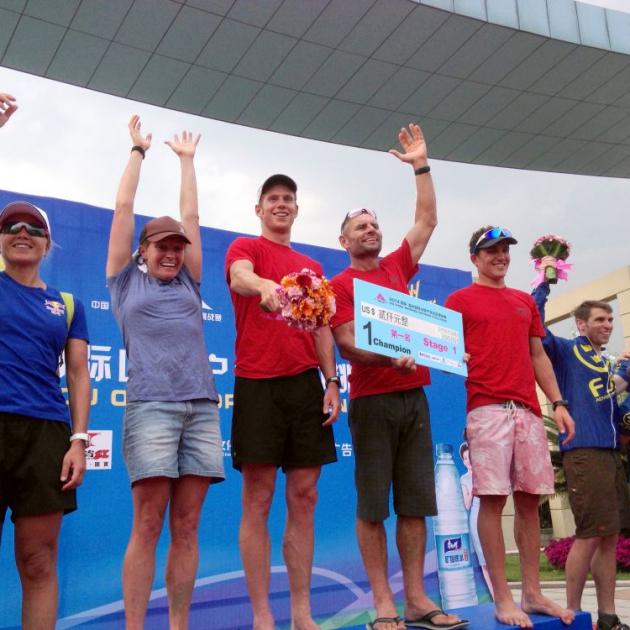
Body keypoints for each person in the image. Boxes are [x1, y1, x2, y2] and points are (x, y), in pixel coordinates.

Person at [330, 123, 464, 630]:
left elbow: (427, 218)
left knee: (415, 504)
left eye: (374, 224)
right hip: (372, 402)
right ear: (342, 240)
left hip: (416, 398)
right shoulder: (339, 285)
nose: (371, 230)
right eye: (360, 226)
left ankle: (416, 600)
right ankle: (382, 602)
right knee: (372, 506)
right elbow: (345, 342)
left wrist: (421, 165)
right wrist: (388, 360)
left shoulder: (395, 269)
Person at [106, 116, 224, 630]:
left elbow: (192, 215)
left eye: (179, 247)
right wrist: (138, 152)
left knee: (188, 523)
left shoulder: (190, 285)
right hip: (151, 407)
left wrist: (187, 161)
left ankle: (178, 624)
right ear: (143, 252)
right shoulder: (123, 282)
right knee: (149, 521)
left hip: (201, 407)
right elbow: (124, 209)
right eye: (163, 247)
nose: (173, 253)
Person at [225, 173, 341, 630]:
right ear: (259, 209)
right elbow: (239, 278)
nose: (280, 205)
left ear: (296, 208)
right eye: (272, 198)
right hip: (256, 384)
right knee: (257, 498)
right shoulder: (245, 249)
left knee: (305, 496)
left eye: (288, 199)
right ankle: (262, 616)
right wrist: (265, 287)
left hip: (304, 386)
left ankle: (301, 612)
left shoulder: (310, 266)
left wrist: (332, 382)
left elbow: (323, 327)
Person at [444, 226, 576, 629]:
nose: (499, 256)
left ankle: (532, 593)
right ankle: (503, 598)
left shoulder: (523, 301)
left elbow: (538, 355)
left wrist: (558, 403)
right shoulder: (459, 300)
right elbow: (440, 347)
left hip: (528, 413)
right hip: (486, 410)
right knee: (492, 500)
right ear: (474, 258)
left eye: (504, 250)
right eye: (491, 251)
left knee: (530, 500)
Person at [0, 95, 90, 630]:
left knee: (37, 562)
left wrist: (78, 440)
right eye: (12, 227)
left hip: (46, 437)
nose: (22, 234)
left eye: (33, 229)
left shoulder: (70, 305)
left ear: (48, 242)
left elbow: (78, 375)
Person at [532, 268, 630, 630]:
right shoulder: (566, 351)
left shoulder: (607, 365)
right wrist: (544, 281)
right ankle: (573, 615)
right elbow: (535, 326)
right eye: (600, 319)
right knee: (589, 534)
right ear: (580, 324)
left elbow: (617, 414)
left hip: (609, 455)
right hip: (583, 453)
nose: (607, 325)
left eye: (610, 319)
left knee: (610, 536)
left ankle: (607, 617)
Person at [459, 442, 493, 598]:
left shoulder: (485, 472)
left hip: (489, 515)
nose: (468, 461)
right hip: (475, 516)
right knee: (484, 561)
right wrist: (473, 487)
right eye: (465, 458)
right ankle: (494, 596)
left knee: (493, 555)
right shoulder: (463, 479)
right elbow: (466, 504)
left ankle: (502, 594)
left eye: (470, 457)